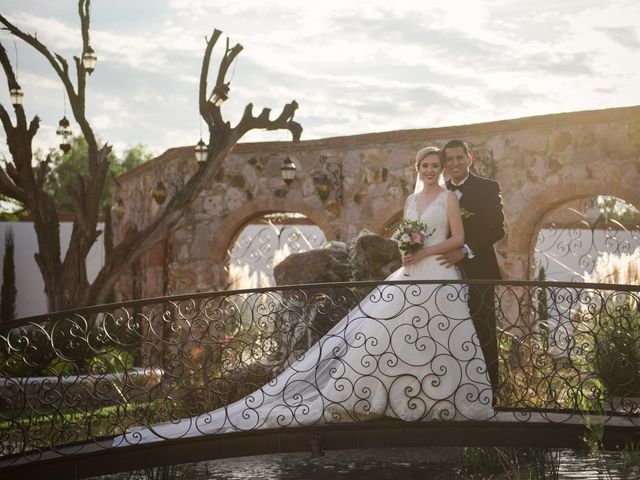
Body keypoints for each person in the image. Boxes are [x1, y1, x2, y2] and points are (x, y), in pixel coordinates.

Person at [114, 146, 493, 446]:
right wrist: (404, 250)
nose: (430, 170)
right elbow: (405, 235)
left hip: (439, 271)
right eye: (425, 165)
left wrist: (422, 252)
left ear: (441, 169)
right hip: (411, 270)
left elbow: (457, 239)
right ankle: (401, 398)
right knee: (392, 333)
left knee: (440, 337)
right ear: (417, 168)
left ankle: (443, 398)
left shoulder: (448, 199)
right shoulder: (411, 203)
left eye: (434, 165)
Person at [437, 139, 505, 404]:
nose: (454, 163)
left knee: (483, 329)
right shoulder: (438, 192)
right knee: (447, 330)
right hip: (444, 273)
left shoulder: (488, 188)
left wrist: (464, 250)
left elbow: (497, 228)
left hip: (479, 270)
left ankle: (491, 393)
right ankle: (452, 391)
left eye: (458, 158)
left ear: (470, 158)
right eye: (449, 159)